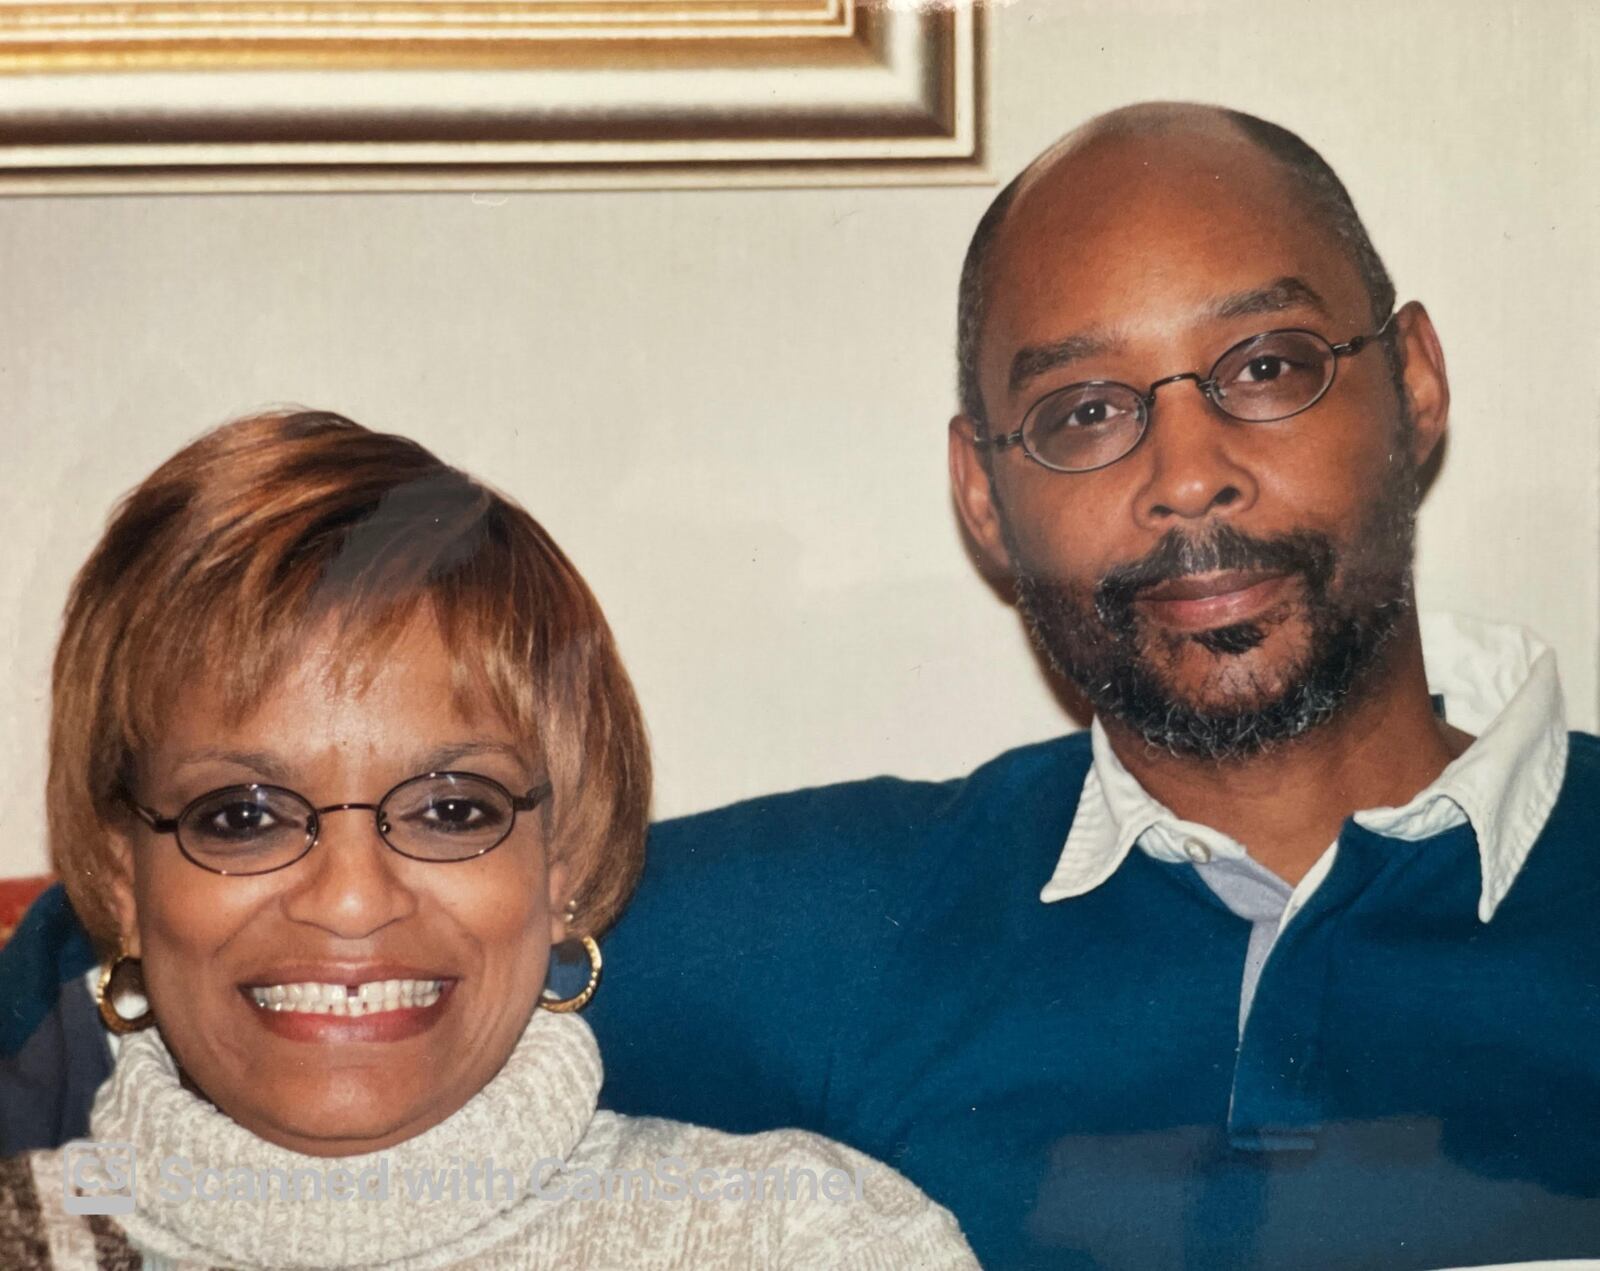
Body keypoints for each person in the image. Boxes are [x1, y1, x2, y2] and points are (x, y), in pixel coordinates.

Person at [5, 100, 1599, 1268]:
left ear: (1415, 379)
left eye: (1264, 368)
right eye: (1084, 411)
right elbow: (234, 910)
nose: (1187, 472)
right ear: (983, 492)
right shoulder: (825, 920)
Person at [0, 412, 976, 1268]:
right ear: (122, 876)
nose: (349, 897)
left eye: (451, 807)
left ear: (566, 860)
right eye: (244, 815)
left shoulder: (804, 1244)